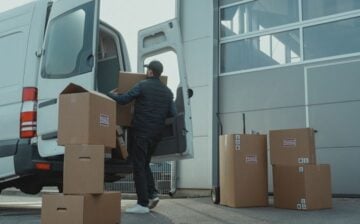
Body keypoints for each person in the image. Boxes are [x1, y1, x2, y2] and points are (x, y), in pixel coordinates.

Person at [108, 60, 176, 214]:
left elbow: (124, 99)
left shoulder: (142, 85)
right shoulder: (167, 91)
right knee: (145, 163)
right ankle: (152, 194)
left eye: (148, 70)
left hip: (141, 132)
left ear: (150, 72)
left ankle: (142, 203)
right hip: (156, 135)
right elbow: (172, 113)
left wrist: (110, 95)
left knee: (138, 165)